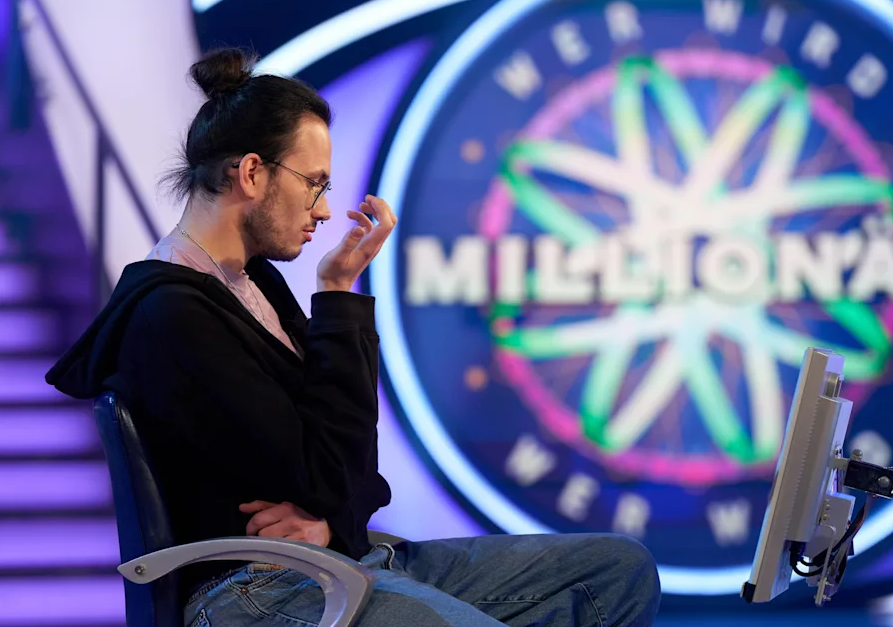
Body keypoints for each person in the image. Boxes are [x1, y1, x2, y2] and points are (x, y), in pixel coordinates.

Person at [46, 47, 660, 627]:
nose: (322, 209)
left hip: (335, 556)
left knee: (616, 571)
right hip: (252, 588)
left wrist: (331, 521)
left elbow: (355, 472)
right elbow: (327, 476)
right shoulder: (172, 315)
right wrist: (338, 303)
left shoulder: (253, 282)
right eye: (314, 183)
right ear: (252, 174)